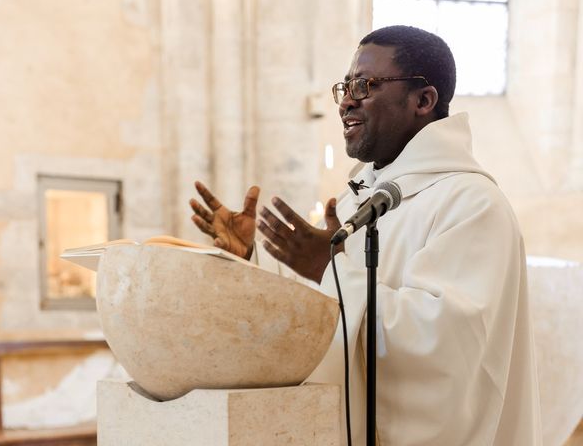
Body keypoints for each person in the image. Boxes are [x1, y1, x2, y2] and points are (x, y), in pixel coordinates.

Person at [190, 25, 542, 445]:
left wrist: (330, 269)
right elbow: (317, 310)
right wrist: (249, 257)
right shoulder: (364, 198)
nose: (347, 101)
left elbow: (447, 346)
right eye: (345, 86)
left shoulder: (472, 204)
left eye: (366, 84)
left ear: (423, 100)